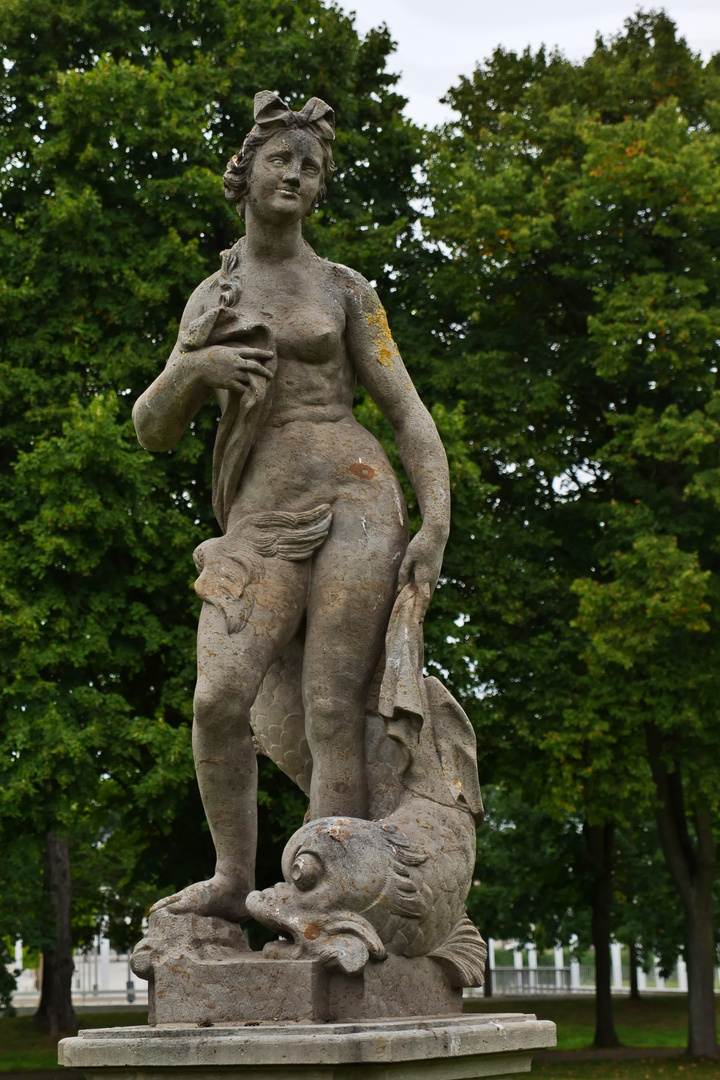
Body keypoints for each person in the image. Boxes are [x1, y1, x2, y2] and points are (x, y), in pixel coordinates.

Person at [132, 92, 451, 924]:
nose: (298, 176)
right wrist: (193, 367)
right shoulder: (215, 295)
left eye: (311, 168)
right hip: (262, 516)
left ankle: (321, 898)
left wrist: (437, 518)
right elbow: (151, 429)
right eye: (283, 160)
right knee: (216, 697)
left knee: (331, 706)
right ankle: (233, 876)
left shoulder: (345, 289)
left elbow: (408, 412)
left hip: (357, 494)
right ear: (246, 173)